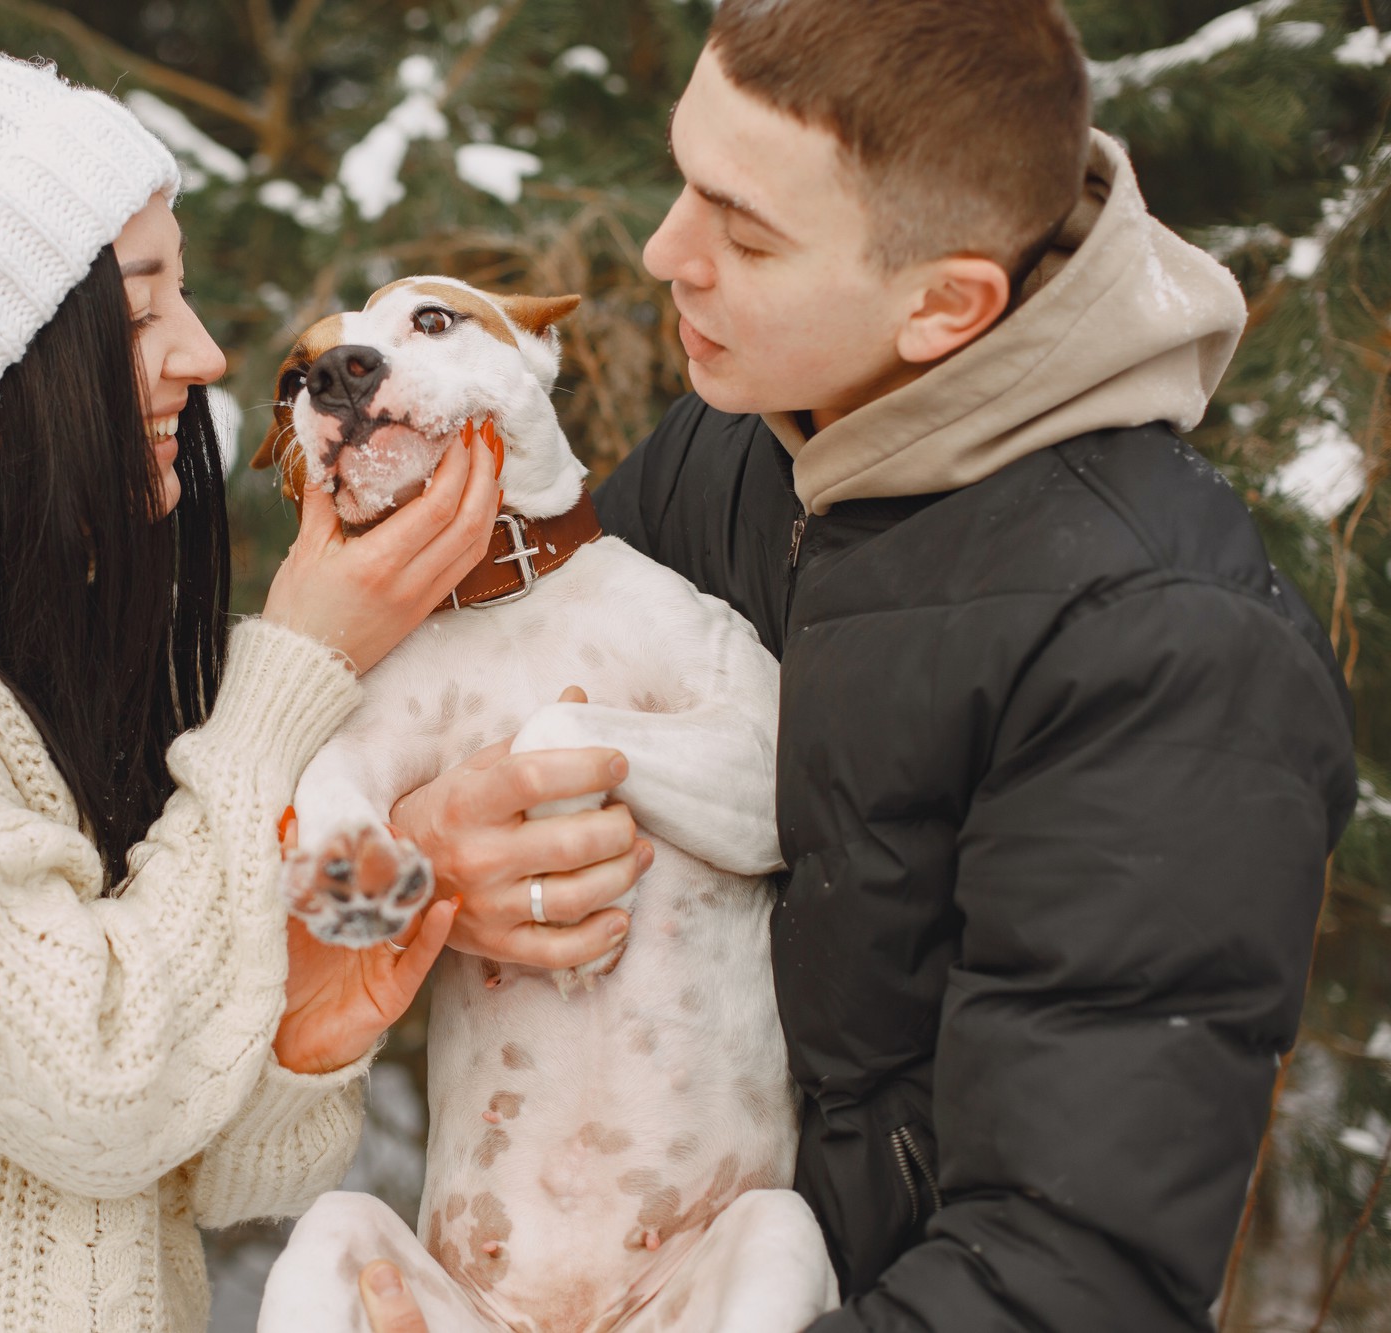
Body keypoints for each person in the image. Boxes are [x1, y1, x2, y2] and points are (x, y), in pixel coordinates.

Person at [367, 1, 1357, 1329]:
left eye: (746, 231)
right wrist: (444, 856)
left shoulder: (1168, 651)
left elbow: (1071, 1276)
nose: (667, 254)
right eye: (684, 184)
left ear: (946, 306)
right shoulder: (757, 434)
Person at [0, 26, 634, 1332]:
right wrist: (300, 663)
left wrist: (303, 1017)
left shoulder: (45, 634)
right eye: (145, 302)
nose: (207, 350)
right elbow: (95, 1082)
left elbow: (221, 1163)